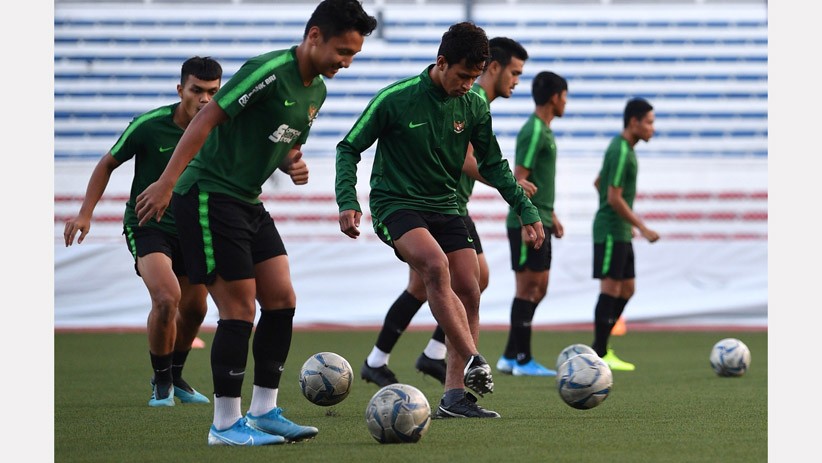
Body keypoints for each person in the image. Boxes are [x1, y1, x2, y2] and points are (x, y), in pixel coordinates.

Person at [134, 0, 377, 446]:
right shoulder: (267, 70)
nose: (346, 61)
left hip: (246, 200)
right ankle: (225, 424)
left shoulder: (316, 91)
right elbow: (206, 118)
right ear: (315, 36)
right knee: (240, 308)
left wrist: (291, 164)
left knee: (282, 299)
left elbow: (280, 143)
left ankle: (265, 412)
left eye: (354, 55)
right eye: (342, 50)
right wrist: (167, 183)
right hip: (207, 193)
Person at [336, 22, 545, 419]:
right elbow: (348, 148)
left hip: (445, 205)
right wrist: (347, 200)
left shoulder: (474, 105)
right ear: (441, 62)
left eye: (474, 77)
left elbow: (494, 164)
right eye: (463, 76)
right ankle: (473, 358)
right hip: (394, 203)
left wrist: (525, 208)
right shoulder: (396, 99)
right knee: (435, 265)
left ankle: (453, 397)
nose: (468, 85)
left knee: (470, 286)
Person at [63, 56, 223, 407]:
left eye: (213, 92)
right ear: (181, 89)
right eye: (197, 91)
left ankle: (176, 376)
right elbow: (108, 163)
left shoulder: (219, 127)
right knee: (167, 298)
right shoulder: (150, 125)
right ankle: (161, 383)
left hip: (194, 229)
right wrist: (85, 213)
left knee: (196, 310)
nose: (205, 100)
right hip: (148, 226)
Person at [496, 71, 568, 377]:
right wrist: (527, 219)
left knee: (538, 288)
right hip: (528, 221)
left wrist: (552, 216)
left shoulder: (544, 130)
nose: (566, 102)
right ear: (555, 97)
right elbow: (519, 177)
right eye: (565, 95)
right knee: (527, 289)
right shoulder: (535, 130)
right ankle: (522, 360)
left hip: (541, 218)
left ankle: (511, 355)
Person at [589, 97, 660, 371]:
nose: (653, 128)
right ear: (634, 122)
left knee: (627, 288)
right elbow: (613, 195)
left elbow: (598, 182)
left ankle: (602, 348)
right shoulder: (620, 150)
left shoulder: (625, 149)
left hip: (619, 229)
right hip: (609, 231)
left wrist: (623, 218)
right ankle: (599, 351)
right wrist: (641, 226)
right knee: (610, 288)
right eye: (650, 123)